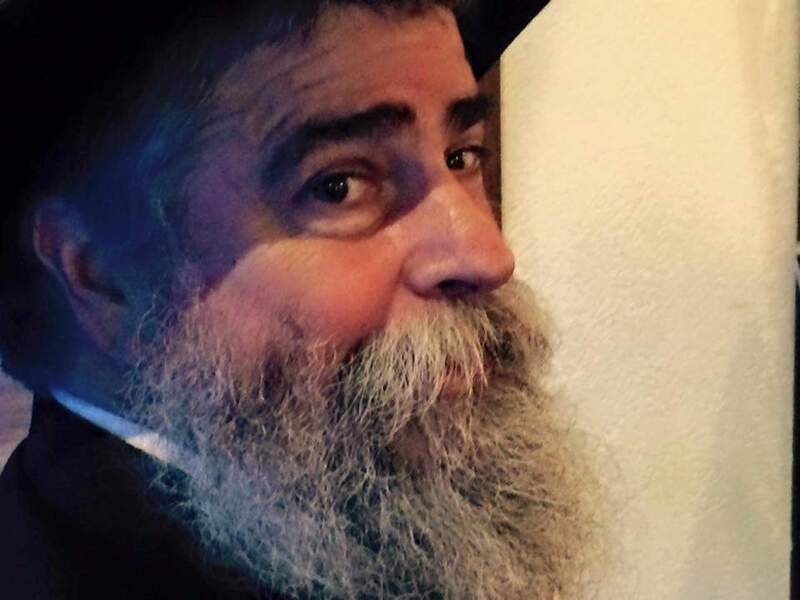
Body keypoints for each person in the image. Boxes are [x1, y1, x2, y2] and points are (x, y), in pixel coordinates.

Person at [0, 0, 598, 598]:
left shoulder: (343, 519)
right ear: (104, 278)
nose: (489, 255)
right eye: (338, 186)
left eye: (460, 156)